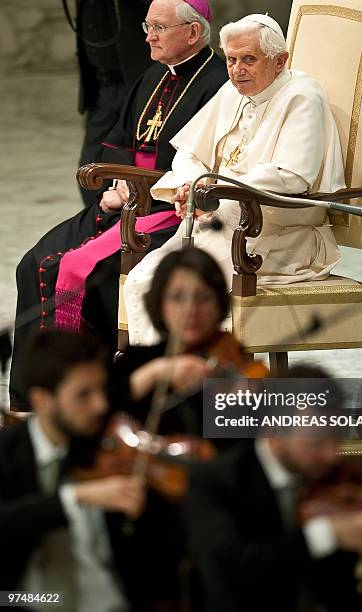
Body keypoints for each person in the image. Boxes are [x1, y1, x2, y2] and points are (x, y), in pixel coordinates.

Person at [10, 0, 228, 410]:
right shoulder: (151, 75)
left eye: (158, 27)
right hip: (126, 202)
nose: (147, 34)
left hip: (167, 209)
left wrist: (141, 188)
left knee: (86, 272)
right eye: (147, 25)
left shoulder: (216, 83)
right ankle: (32, 402)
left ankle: (91, 396)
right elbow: (120, 139)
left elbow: (204, 164)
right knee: (35, 261)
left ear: (193, 33)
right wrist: (118, 182)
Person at [124, 12, 345, 346]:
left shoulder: (302, 96)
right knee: (146, 281)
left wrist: (214, 189)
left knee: (186, 294)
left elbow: (292, 176)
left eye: (249, 60)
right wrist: (192, 184)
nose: (237, 70)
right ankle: (164, 387)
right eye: (230, 60)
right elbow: (188, 153)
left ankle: (202, 386)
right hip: (219, 225)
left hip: (277, 237)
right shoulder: (233, 91)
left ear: (280, 60)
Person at [186, 363, 362, 612]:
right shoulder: (215, 481)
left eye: (336, 438)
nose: (333, 456)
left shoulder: (345, 486)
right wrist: (324, 535)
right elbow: (232, 575)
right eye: (316, 444)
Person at [0, 329, 181, 611]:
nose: (100, 405)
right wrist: (75, 497)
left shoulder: (110, 451)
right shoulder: (7, 452)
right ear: (41, 401)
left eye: (100, 389)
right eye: (83, 395)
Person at [109, 246, 252, 447]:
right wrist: (158, 371)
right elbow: (101, 412)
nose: (190, 310)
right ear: (159, 303)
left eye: (203, 298)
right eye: (177, 298)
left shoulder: (232, 362)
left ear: (220, 303)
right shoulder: (137, 360)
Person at [63, 0, 150, 208]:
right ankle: (98, 222)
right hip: (105, 84)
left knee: (138, 159)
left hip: (137, 79)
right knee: (90, 166)